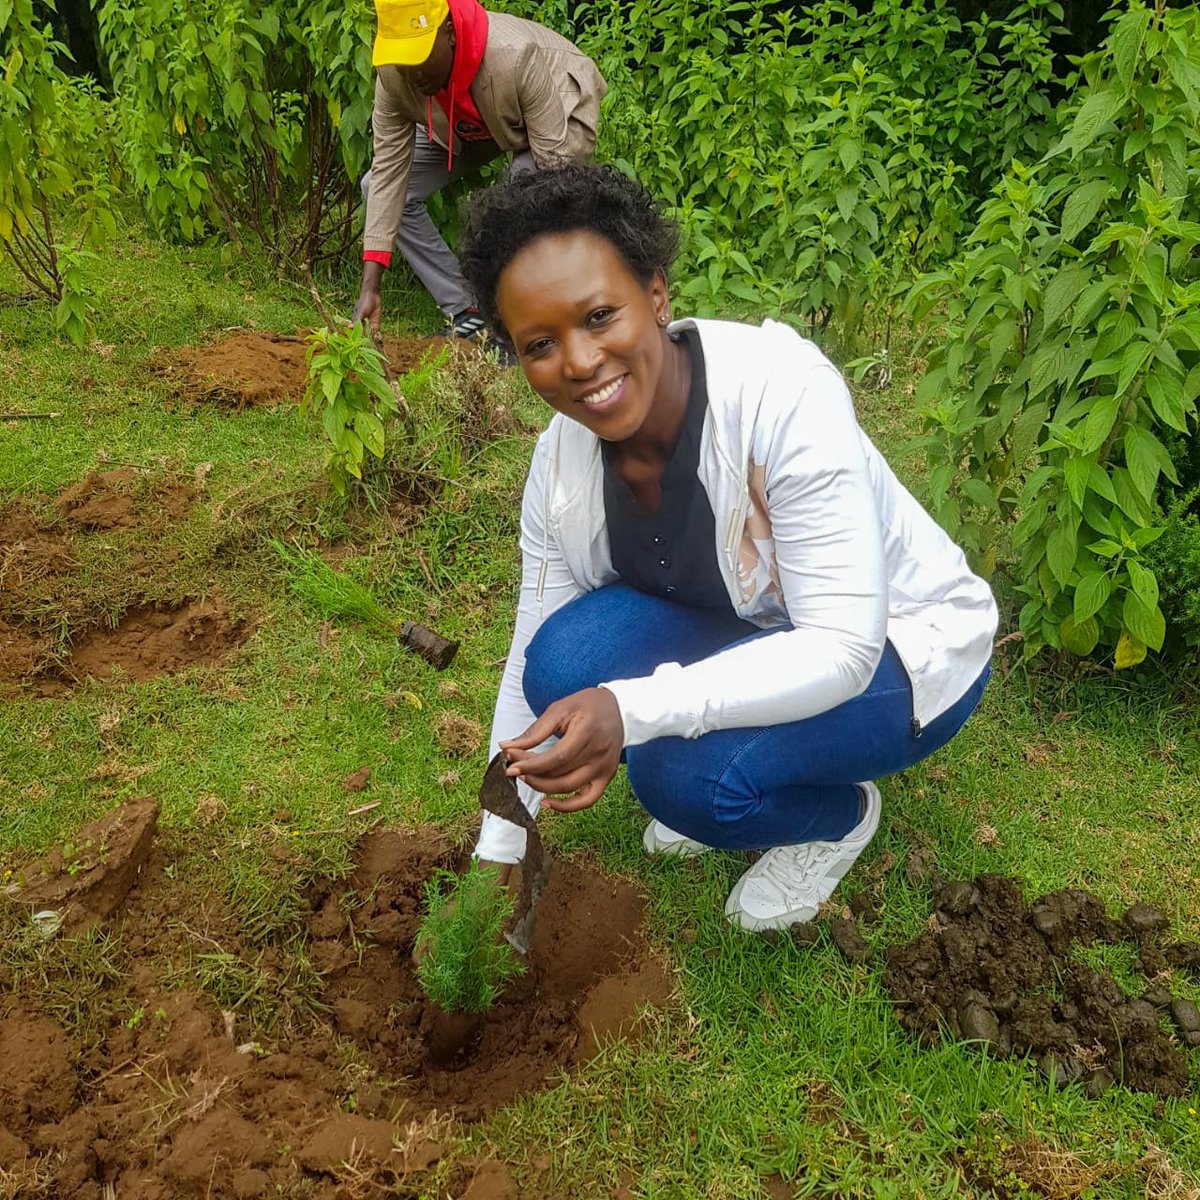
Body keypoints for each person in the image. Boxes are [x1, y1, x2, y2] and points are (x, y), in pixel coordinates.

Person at [458, 164, 998, 932]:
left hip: (899, 647)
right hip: (760, 627)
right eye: (541, 343)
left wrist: (633, 708)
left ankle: (837, 819)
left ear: (656, 293)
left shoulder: (781, 397)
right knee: (558, 665)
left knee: (683, 777)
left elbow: (842, 647)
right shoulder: (562, 465)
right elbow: (527, 654)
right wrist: (502, 844)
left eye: (601, 315)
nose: (579, 362)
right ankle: (734, 746)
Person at [352, 0, 605, 339]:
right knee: (376, 187)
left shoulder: (515, 55)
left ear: (449, 33)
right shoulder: (397, 78)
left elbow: (555, 178)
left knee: (525, 193)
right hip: (472, 116)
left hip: (555, 98)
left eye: (420, 54)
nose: (413, 72)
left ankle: (521, 324)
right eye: (402, 58)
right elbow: (387, 174)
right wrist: (371, 287)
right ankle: (467, 309)